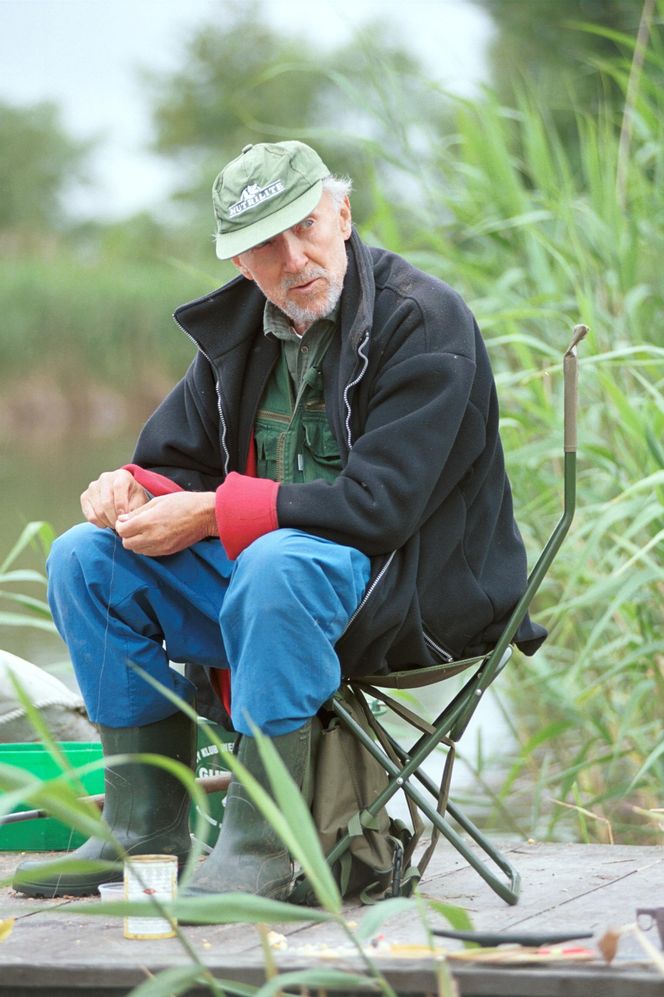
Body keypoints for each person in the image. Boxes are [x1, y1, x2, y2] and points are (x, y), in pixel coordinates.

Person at [13, 140, 545, 902]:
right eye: (266, 244)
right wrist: (124, 488)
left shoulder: (423, 321)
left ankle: (264, 845)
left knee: (275, 563)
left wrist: (212, 512)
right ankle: (143, 833)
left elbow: (380, 506)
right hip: (271, 590)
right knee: (82, 558)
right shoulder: (239, 333)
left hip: (407, 593)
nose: (294, 258)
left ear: (344, 215)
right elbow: (173, 458)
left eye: (307, 227)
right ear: (239, 262)